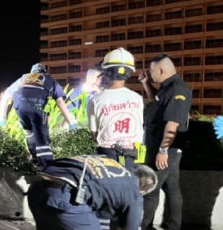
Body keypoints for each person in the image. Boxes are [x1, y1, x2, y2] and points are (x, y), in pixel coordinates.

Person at [27, 155, 158, 230]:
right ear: (143, 189)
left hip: (37, 186)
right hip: (65, 195)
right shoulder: (135, 193)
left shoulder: (111, 163)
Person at [139, 54, 192, 230]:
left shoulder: (178, 90)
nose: (150, 73)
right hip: (164, 148)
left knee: (150, 188)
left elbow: (173, 124)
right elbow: (157, 102)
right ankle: (173, 226)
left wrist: (162, 151)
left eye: (152, 71)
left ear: (161, 70)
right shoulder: (166, 88)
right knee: (171, 188)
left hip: (165, 148)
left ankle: (144, 226)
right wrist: (147, 83)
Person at [0, 63, 76, 168]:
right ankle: (48, 168)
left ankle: (34, 161)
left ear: (32, 71)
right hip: (37, 107)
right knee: (42, 139)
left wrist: (2, 118)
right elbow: (60, 102)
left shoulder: (24, 78)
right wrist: (71, 123)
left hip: (20, 107)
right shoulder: (49, 80)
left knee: (29, 132)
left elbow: (5, 96)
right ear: (45, 72)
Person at [87, 47, 144, 170]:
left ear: (106, 71)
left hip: (105, 156)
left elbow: (94, 133)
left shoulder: (95, 100)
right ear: (129, 73)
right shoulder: (137, 98)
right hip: (131, 156)